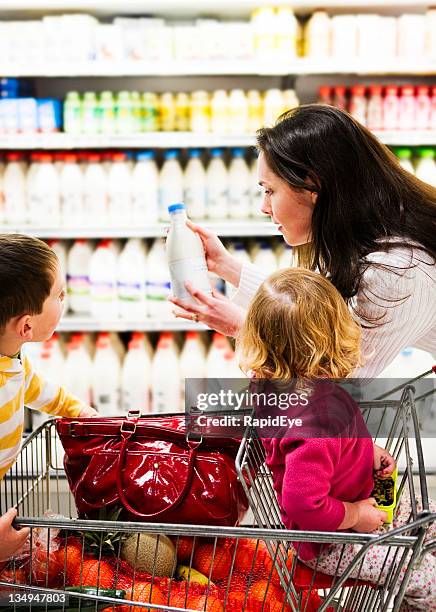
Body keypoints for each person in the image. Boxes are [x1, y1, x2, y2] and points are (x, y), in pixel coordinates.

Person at [170, 104, 436, 378]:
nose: (264, 207)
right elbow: (316, 316)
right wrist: (226, 266)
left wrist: (244, 327)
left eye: (270, 191)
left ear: (313, 187)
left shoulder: (397, 270)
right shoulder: (369, 237)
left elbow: (335, 382)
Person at [237, 267, 435, 610]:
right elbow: (303, 504)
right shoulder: (314, 425)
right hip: (331, 540)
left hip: (357, 495)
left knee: (427, 524)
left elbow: (336, 439)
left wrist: (366, 450)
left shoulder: (295, 390)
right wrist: (356, 516)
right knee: (421, 571)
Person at [0, 234, 98, 561]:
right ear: (26, 326)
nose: (65, 298)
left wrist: (79, 412)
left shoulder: (10, 356)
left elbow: (34, 387)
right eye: (59, 295)